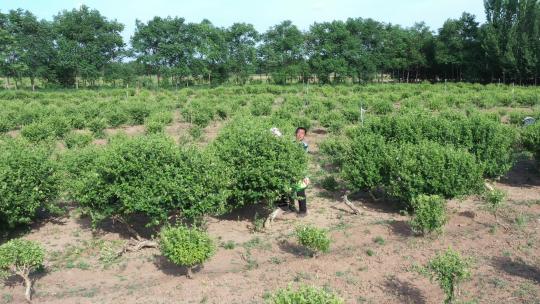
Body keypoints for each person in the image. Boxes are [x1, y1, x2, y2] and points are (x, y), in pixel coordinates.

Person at [294, 127, 310, 217]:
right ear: (295, 133)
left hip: (300, 171)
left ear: (304, 135)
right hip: (290, 170)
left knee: (300, 190)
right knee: (289, 190)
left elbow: (304, 161)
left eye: (302, 133)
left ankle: (303, 211)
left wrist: (305, 175)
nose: (300, 134)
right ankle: (290, 208)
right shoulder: (291, 144)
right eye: (299, 132)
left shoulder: (304, 145)